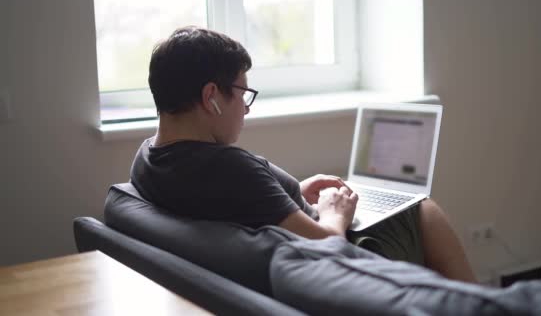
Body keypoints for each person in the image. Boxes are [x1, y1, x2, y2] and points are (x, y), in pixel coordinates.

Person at [130, 26, 476, 283]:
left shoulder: (149, 157)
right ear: (211, 97)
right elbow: (326, 247)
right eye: (242, 93)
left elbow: (238, 202)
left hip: (285, 235)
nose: (246, 110)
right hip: (338, 255)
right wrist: (333, 213)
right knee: (422, 208)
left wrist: (292, 190)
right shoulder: (229, 168)